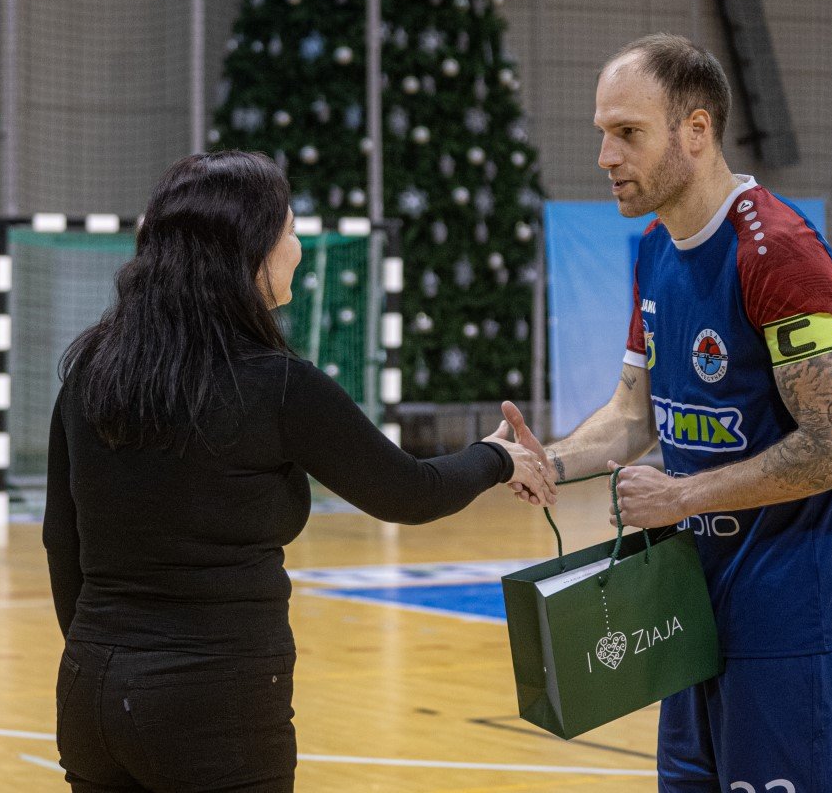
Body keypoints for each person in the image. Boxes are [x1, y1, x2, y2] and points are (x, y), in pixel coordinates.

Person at [43, 151, 554, 793]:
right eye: (289, 230)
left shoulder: (90, 371)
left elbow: (61, 542)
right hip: (214, 707)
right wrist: (497, 458)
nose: (299, 248)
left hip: (90, 690)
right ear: (249, 251)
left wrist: (106, 657)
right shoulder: (277, 385)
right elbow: (409, 493)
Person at [520, 33, 832, 791]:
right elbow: (632, 416)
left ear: (696, 129)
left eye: (628, 132)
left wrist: (680, 498)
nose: (606, 156)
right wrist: (543, 461)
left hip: (791, 620)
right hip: (687, 612)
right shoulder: (656, 248)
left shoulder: (777, 252)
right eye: (603, 134)